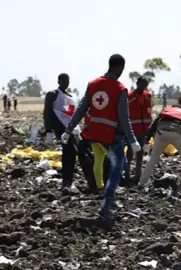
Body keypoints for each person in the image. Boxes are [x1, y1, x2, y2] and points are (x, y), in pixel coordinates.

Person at [61, 54, 141, 221]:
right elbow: (124, 118)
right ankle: (105, 208)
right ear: (120, 68)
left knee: (106, 162)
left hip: (94, 134)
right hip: (112, 136)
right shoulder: (120, 89)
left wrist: (68, 130)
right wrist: (132, 140)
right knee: (115, 171)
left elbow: (81, 110)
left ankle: (107, 198)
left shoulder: (92, 85)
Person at [43, 73, 95, 191]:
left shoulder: (72, 96)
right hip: (61, 129)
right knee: (69, 153)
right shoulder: (53, 94)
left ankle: (91, 181)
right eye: (64, 80)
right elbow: (47, 112)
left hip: (73, 129)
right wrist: (48, 130)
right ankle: (67, 182)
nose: (66, 83)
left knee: (82, 153)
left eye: (68, 80)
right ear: (59, 81)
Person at [139, 105, 181, 188]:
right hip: (176, 133)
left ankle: (142, 183)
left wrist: (147, 139)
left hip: (161, 133)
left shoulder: (166, 111)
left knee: (152, 159)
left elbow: (153, 125)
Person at [125, 76, 152, 184]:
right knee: (130, 153)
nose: (143, 86)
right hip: (132, 130)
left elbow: (149, 112)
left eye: (145, 84)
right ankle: (126, 174)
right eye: (141, 84)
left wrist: (150, 130)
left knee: (140, 154)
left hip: (144, 129)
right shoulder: (129, 96)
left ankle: (138, 175)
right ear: (137, 83)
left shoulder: (148, 96)